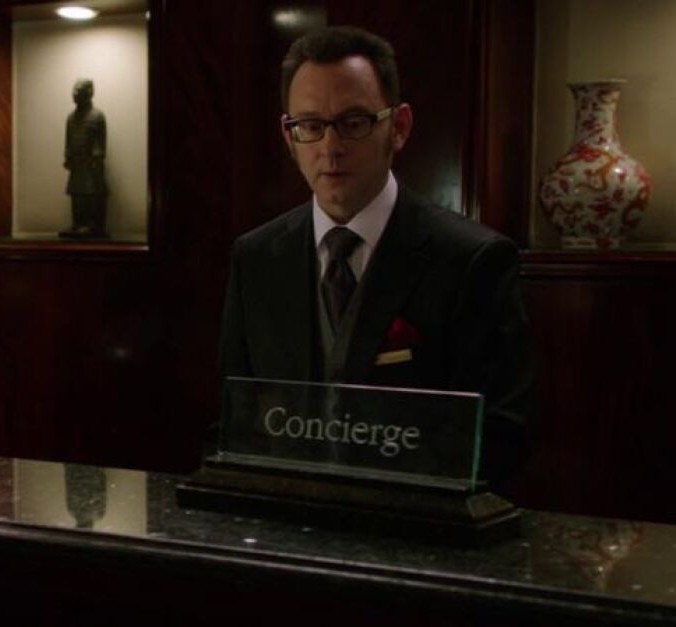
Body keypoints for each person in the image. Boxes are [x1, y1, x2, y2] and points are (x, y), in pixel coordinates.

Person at [218, 26, 534, 487]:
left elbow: (499, 442)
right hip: (283, 523)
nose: (330, 148)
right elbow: (233, 423)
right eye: (310, 126)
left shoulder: (473, 261)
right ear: (289, 136)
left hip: (416, 526)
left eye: (354, 122)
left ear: (398, 127)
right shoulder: (256, 257)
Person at [59, 79, 108, 239]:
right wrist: (67, 156)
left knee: (91, 193)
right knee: (76, 193)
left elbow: (100, 141)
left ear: (89, 93)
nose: (74, 94)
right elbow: (68, 140)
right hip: (76, 163)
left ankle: (93, 225)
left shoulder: (97, 116)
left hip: (91, 163)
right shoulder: (71, 118)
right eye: (74, 90)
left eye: (78, 90)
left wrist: (96, 157)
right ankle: (78, 223)